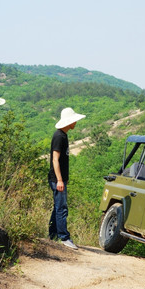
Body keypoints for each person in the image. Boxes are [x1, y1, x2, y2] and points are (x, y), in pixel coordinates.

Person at [48, 107, 86, 250]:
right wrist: (59, 180)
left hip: (59, 179)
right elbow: (55, 160)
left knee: (57, 207)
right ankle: (64, 237)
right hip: (57, 179)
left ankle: (53, 235)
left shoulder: (63, 135)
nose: (76, 122)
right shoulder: (59, 136)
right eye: (74, 120)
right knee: (62, 208)